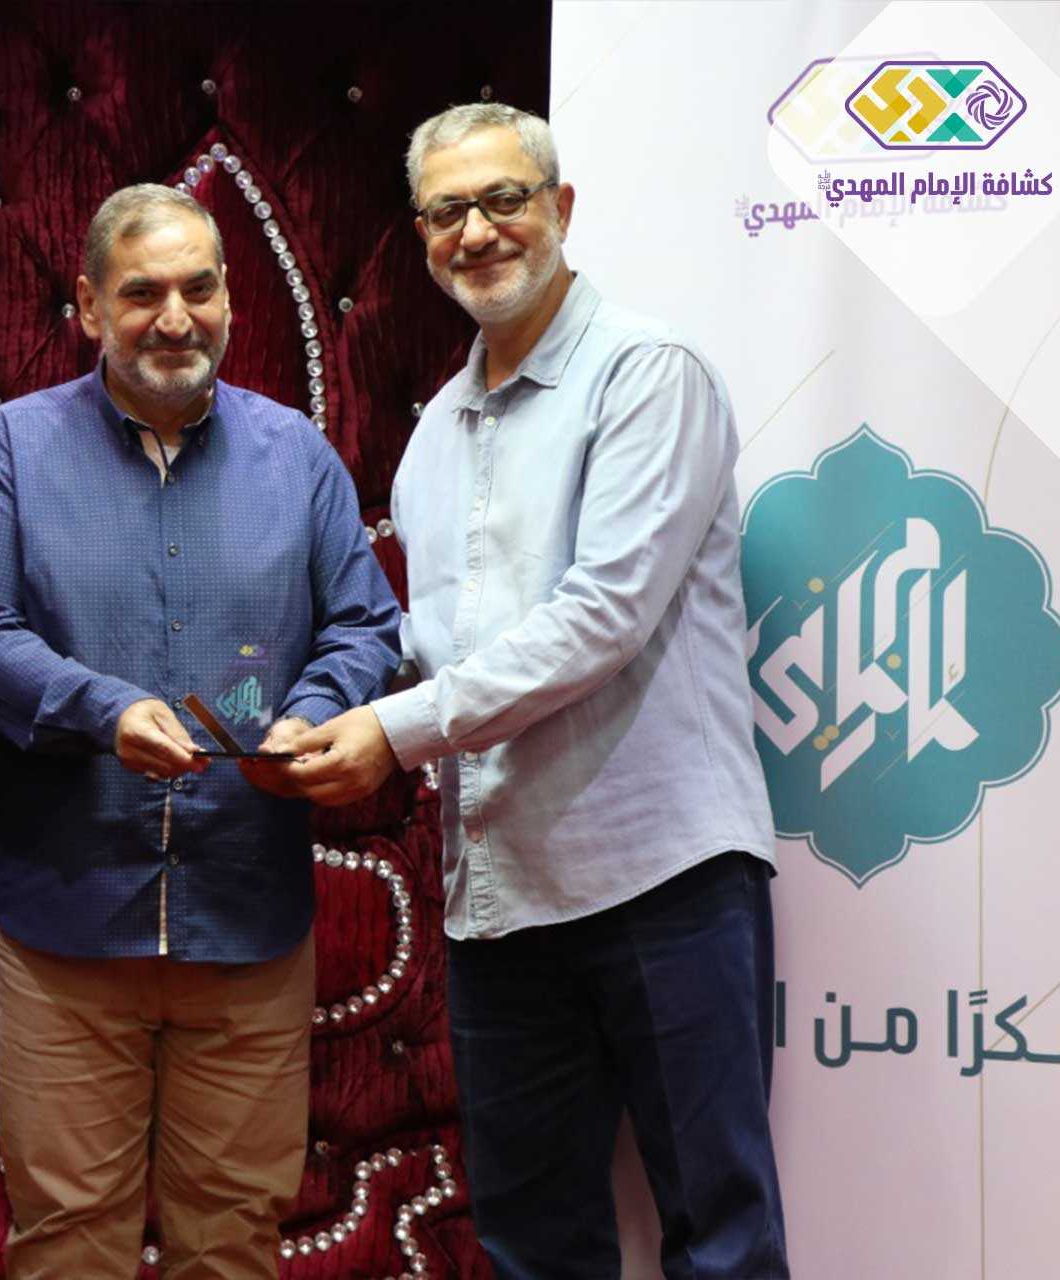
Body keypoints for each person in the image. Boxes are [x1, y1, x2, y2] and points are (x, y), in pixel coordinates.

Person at [287, 104, 790, 1278]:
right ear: (423, 237)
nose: (477, 232)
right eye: (446, 211)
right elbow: (432, 644)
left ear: (561, 208)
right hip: (501, 898)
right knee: (531, 1243)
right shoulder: (434, 434)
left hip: (660, 873)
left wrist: (392, 731)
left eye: (504, 199)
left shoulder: (648, 374)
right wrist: (312, 702)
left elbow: (601, 616)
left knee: (720, 1233)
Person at [0, 184, 399, 1277]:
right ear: (90, 306)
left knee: (233, 1237)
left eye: (199, 288)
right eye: (142, 293)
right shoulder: (14, 447)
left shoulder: (295, 453)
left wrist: (312, 713)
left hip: (247, 919)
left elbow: (364, 624)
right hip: (64, 923)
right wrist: (102, 711)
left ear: (231, 296)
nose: (175, 317)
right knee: (69, 1240)